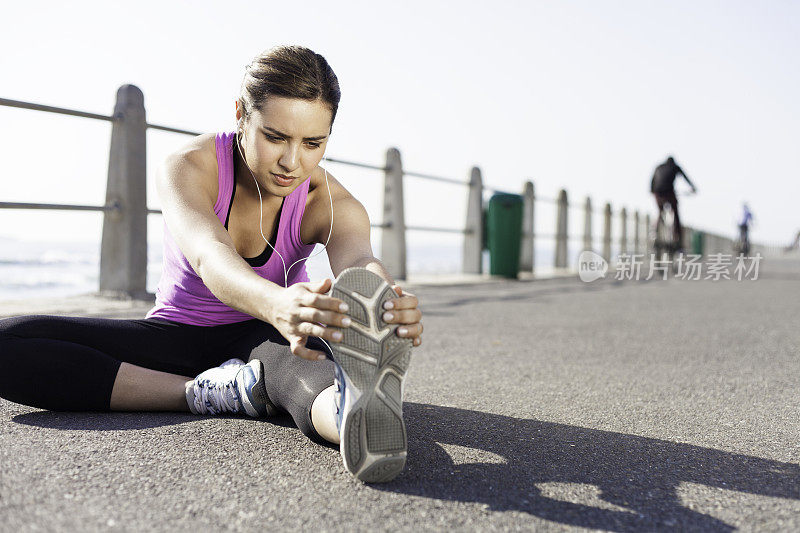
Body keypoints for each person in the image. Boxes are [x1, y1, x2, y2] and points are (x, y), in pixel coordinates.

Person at [0, 45, 423, 483]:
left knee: (297, 367)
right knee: (6, 343)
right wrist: (277, 303)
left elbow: (359, 260)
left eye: (313, 143)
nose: (292, 161)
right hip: (177, 337)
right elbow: (209, 257)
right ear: (241, 113)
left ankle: (359, 423)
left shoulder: (329, 201)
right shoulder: (189, 168)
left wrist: (385, 302)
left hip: (269, 339)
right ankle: (212, 394)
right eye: (275, 136)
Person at [650, 155, 697, 250]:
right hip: (669, 193)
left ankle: (655, 232)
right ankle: (678, 238)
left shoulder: (659, 167)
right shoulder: (675, 167)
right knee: (675, 212)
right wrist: (693, 188)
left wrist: (652, 191)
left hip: (657, 193)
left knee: (660, 211)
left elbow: (652, 181)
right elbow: (685, 177)